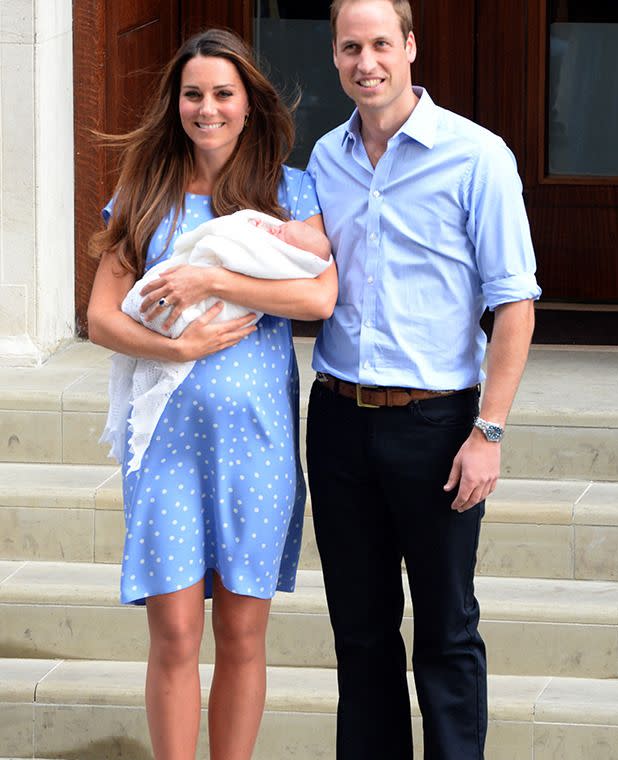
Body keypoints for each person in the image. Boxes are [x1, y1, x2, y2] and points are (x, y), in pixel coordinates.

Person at [87, 28, 337, 760]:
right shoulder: (144, 195)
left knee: (242, 633)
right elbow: (101, 317)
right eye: (193, 94)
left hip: (256, 444)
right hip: (164, 446)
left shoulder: (290, 192)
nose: (208, 108)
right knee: (172, 632)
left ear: (249, 104)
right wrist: (179, 346)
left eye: (223, 93)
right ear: (176, 105)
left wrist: (214, 279)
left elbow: (319, 296)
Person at [305, 1, 541, 758]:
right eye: (350, 47)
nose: (365, 61)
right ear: (335, 56)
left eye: (380, 43)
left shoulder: (477, 156)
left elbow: (514, 304)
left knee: (445, 631)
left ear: (409, 46)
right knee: (361, 635)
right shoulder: (323, 160)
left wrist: (489, 431)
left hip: (437, 426)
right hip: (338, 420)